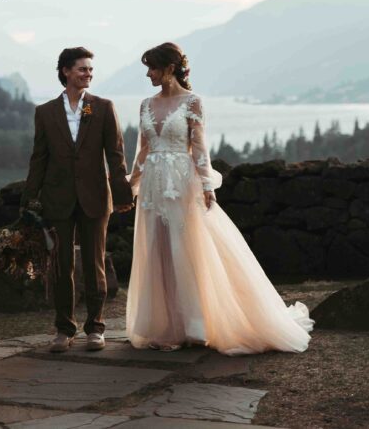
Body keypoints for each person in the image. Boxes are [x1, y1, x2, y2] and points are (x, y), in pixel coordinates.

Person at [126, 42, 313, 355]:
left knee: (187, 250)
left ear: (170, 68)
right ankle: (166, 326)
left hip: (182, 183)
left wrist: (206, 185)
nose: (148, 74)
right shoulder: (146, 104)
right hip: (153, 188)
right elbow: (144, 149)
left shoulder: (192, 102)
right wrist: (132, 183)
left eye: (153, 68)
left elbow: (199, 146)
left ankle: (195, 326)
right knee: (158, 251)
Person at [22, 47, 134, 353]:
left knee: (95, 264)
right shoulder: (45, 112)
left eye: (90, 70)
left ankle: (95, 328)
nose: (88, 74)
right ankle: (64, 329)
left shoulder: (103, 107)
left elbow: (116, 154)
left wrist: (122, 194)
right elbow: (39, 158)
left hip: (95, 197)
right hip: (56, 198)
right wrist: (29, 200)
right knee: (60, 266)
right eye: (83, 69)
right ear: (66, 71)